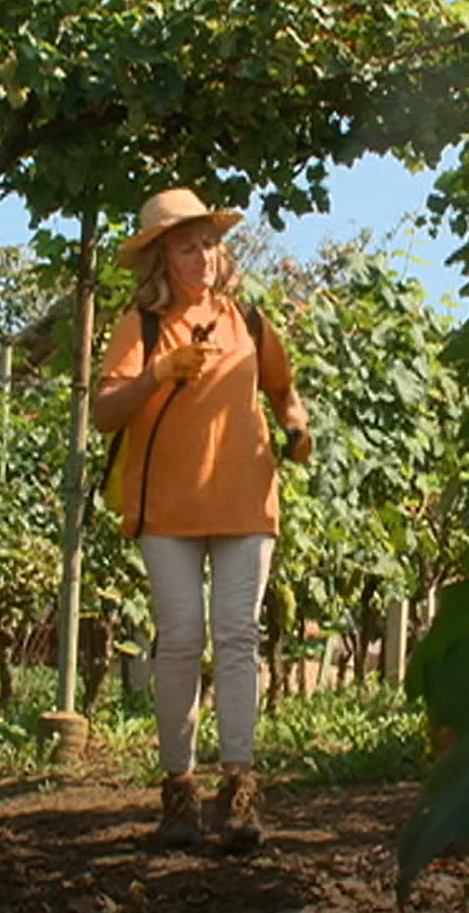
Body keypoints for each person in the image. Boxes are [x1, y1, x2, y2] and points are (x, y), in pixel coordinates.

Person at [93, 187, 312, 852]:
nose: (203, 257)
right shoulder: (142, 325)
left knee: (238, 635)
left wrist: (295, 424)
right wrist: (159, 372)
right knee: (183, 637)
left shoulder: (247, 317)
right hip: (166, 506)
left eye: (210, 243)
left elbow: (283, 386)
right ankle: (179, 788)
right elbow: (105, 414)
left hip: (245, 499)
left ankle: (239, 786)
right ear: (161, 257)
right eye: (187, 246)